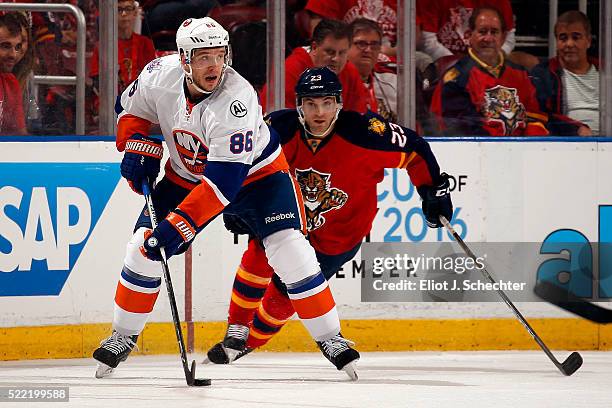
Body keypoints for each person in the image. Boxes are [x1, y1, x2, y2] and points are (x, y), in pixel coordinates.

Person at [92, 17, 360, 381]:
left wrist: (176, 229)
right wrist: (136, 145)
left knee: (290, 248)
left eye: (220, 55)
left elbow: (222, 185)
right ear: (184, 59)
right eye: (203, 57)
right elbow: (130, 112)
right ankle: (122, 336)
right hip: (187, 175)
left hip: (257, 177)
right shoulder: (157, 74)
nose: (214, 66)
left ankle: (332, 338)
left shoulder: (237, 99)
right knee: (142, 247)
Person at [204, 67, 452, 364]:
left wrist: (434, 190)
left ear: (339, 103)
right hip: (287, 219)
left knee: (286, 293)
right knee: (260, 253)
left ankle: (249, 342)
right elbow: (239, 160)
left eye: (326, 103)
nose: (319, 112)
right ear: (299, 105)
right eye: (310, 104)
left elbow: (415, 149)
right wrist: (236, 203)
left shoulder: (365, 133)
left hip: (341, 234)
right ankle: (237, 328)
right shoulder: (278, 129)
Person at [430, 7, 549, 137]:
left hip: (522, 152)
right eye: (482, 32)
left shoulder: (522, 75)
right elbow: (458, 130)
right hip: (477, 152)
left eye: (494, 32)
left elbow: (536, 119)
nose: (488, 38)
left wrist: (532, 147)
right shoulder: (456, 79)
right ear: (469, 35)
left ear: (503, 37)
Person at [260, 18, 370, 114]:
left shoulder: (349, 71)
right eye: (330, 52)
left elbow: (360, 118)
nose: (336, 59)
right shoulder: (290, 71)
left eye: (342, 53)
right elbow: (280, 123)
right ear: (314, 47)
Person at [530, 11, 595, 136]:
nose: (569, 44)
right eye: (563, 38)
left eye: (576, 37)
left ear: (588, 41)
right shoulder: (543, 74)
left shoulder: (605, 72)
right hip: (567, 145)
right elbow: (542, 116)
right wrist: (575, 129)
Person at [90, 0, 156, 96]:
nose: (124, 14)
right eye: (119, 9)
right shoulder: (103, 46)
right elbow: (98, 84)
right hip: (113, 103)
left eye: (128, 9)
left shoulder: (146, 44)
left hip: (140, 102)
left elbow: (153, 79)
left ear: (135, 13)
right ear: (111, 14)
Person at [417, 0, 515, 62]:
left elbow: (508, 38)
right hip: (444, 59)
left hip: (490, 57)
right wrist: (458, 63)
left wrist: (492, 59)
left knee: (527, 62)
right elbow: (426, 40)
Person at [0, 12, 26, 135]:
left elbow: (20, 137)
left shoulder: (11, 82)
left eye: (17, 47)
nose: (13, 55)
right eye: (5, 46)